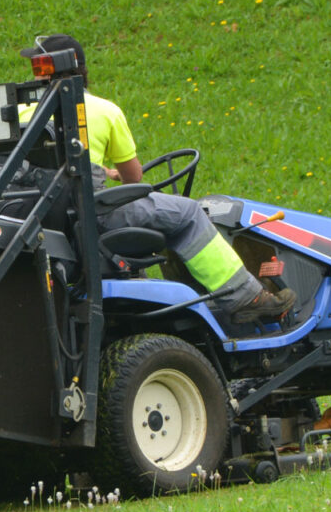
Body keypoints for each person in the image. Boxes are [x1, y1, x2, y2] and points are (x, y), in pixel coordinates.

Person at [19, 34, 296, 326]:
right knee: (187, 214)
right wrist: (112, 178)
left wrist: (99, 173)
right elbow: (134, 177)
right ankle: (246, 298)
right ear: (82, 70)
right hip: (89, 216)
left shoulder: (21, 113)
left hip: (44, 216)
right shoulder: (103, 111)